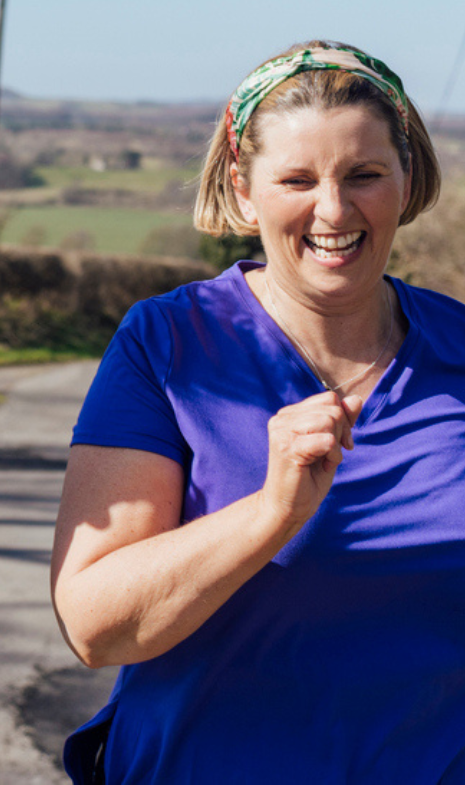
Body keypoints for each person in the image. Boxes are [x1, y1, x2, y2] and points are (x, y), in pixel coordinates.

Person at [50, 40, 462, 783]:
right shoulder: (168, 344)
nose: (334, 209)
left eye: (365, 174)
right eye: (297, 179)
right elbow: (94, 625)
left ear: (406, 177)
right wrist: (270, 512)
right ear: (244, 190)